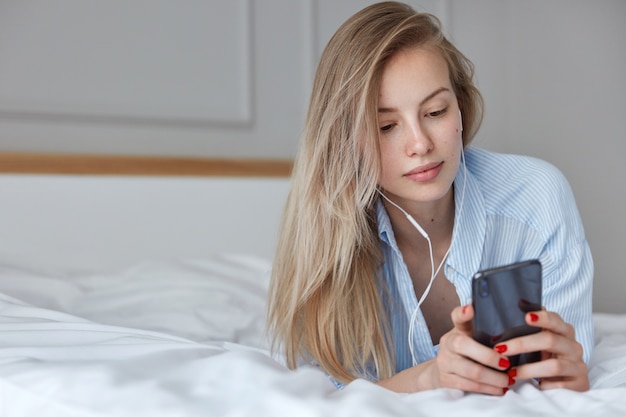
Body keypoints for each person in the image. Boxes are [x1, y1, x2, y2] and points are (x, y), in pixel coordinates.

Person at [266, 1, 593, 395]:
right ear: (345, 141)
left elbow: (563, 377)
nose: (420, 144)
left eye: (435, 111)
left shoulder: (538, 198)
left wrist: (567, 379)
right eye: (386, 125)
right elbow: (319, 396)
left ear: (461, 107)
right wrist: (432, 377)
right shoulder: (325, 241)